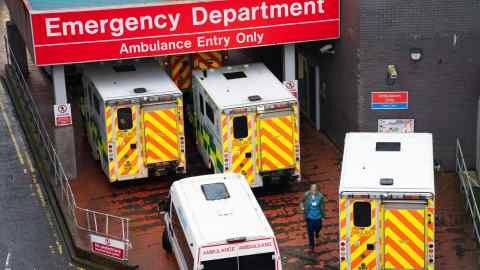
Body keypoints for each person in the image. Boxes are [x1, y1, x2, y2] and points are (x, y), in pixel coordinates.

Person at [300, 184, 325, 252]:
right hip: (309, 217)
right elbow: (301, 202)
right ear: (310, 190)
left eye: (315, 190)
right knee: (310, 232)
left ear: (317, 190)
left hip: (318, 216)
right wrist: (302, 207)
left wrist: (323, 216)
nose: (313, 192)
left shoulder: (320, 196)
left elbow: (322, 207)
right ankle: (312, 246)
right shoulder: (306, 195)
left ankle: (317, 234)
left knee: (319, 227)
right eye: (312, 190)